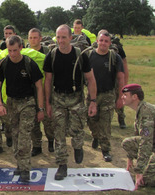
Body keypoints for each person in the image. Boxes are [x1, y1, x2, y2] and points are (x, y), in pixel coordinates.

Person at [44, 24, 97, 181]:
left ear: (71, 38)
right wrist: (48, 102)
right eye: (58, 37)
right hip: (58, 99)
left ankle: (78, 146)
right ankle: (62, 165)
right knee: (59, 133)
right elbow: (47, 81)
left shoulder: (81, 55)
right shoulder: (51, 55)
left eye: (64, 37)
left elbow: (90, 79)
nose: (60, 41)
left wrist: (93, 101)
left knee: (77, 128)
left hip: (76, 98)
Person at [0, 35, 44, 182]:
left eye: (15, 50)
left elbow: (39, 87)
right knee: (15, 134)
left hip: (28, 102)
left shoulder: (30, 64)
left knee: (24, 136)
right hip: (11, 103)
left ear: (21, 48)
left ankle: (25, 169)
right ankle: (19, 163)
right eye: (9, 50)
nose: (12, 54)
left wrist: (40, 109)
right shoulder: (3, 64)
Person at [87, 29, 124, 162]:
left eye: (106, 41)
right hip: (92, 95)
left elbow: (121, 78)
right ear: (97, 41)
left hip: (108, 94)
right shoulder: (90, 56)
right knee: (91, 120)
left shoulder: (115, 57)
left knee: (105, 123)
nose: (103, 43)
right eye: (101, 40)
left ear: (109, 43)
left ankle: (105, 149)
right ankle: (95, 136)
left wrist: (120, 97)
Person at [121, 84, 155, 190]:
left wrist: (139, 171)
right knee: (127, 143)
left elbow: (146, 142)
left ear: (134, 97)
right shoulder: (141, 109)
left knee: (146, 178)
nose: (122, 97)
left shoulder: (146, 112)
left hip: (150, 144)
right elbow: (138, 137)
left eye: (125, 95)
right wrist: (130, 157)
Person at [27, 28, 54, 155]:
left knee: (48, 119)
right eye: (31, 38)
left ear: (40, 38)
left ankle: (51, 140)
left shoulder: (47, 52)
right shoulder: (25, 52)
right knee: (33, 121)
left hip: (45, 90)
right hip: (30, 92)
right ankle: (37, 145)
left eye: (35, 37)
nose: (33, 40)